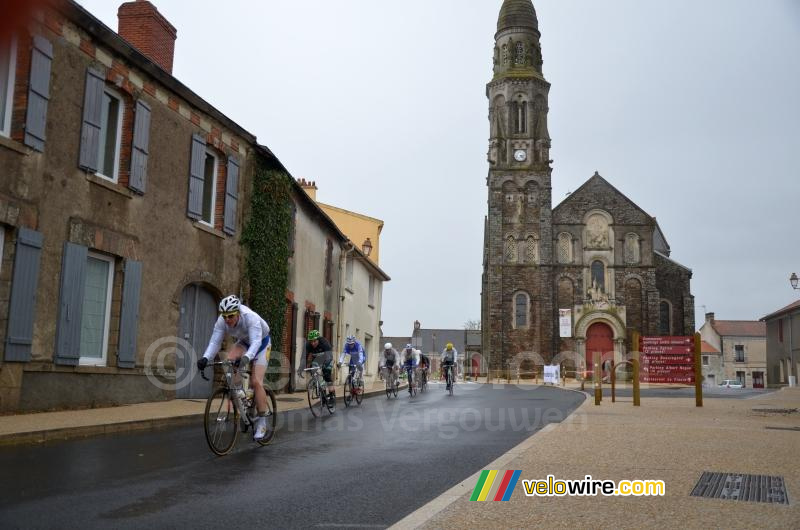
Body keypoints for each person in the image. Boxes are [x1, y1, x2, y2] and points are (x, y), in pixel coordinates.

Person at [196, 295, 272, 441]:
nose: (227, 319)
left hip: (262, 343)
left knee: (256, 381)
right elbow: (215, 342)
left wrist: (245, 358)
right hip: (244, 342)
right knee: (228, 362)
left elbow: (256, 342)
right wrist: (205, 358)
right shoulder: (222, 321)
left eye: (230, 316)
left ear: (238, 313)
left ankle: (262, 422)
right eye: (224, 316)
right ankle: (240, 394)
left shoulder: (250, 317)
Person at [305, 329, 335, 402]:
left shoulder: (324, 343)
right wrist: (306, 364)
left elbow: (329, 356)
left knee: (327, 375)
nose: (313, 343)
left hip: (327, 358)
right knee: (315, 373)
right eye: (311, 341)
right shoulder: (308, 345)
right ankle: (322, 393)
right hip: (317, 359)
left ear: (318, 339)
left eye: (314, 341)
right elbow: (306, 356)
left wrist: (325, 366)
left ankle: (332, 396)